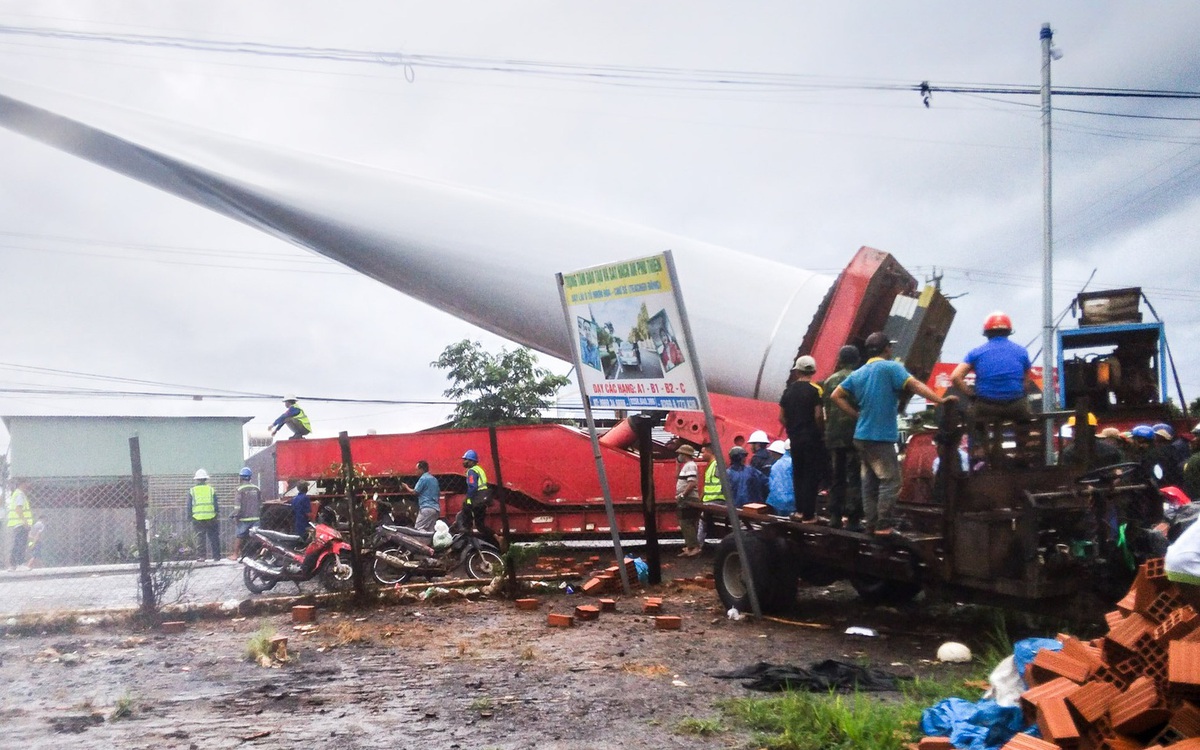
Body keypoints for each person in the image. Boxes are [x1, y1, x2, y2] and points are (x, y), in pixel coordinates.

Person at [831, 332, 956, 536]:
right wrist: (940, 400)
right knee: (891, 481)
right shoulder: (892, 368)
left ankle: (871, 523)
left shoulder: (859, 372)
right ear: (887, 348)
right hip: (880, 437)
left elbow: (836, 395)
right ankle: (883, 525)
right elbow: (914, 385)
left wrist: (856, 414)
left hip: (861, 436)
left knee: (869, 482)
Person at [949, 312, 1034, 422]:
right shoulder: (1022, 352)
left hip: (986, 407)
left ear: (986, 333)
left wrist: (972, 395)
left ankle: (979, 439)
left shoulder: (976, 352)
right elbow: (1026, 384)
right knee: (1024, 418)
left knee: (974, 420)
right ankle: (1023, 437)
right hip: (1016, 406)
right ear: (1008, 331)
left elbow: (955, 377)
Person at [779, 355, 826, 522]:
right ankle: (809, 514)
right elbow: (818, 415)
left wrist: (792, 429)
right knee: (811, 475)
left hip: (795, 439)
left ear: (797, 371)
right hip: (812, 439)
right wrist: (820, 431)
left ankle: (799, 511)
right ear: (812, 371)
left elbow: (782, 417)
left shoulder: (788, 391)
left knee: (798, 474)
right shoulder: (814, 391)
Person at [823, 345, 863, 530]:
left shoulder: (829, 381)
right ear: (856, 360)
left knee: (836, 477)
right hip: (854, 435)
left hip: (833, 435)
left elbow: (824, 411)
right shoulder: (860, 378)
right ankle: (853, 518)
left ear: (839, 359)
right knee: (854, 476)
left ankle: (835, 516)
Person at [459, 450, 497, 546]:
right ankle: (497, 537)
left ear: (472, 461)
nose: (464, 462)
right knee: (480, 525)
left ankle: (468, 543)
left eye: (466, 460)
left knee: (466, 520)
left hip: (476, 498)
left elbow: (473, 486)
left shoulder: (472, 471)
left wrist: (468, 499)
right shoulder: (479, 469)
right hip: (482, 499)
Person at [674, 444, 702, 557]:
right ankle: (690, 547)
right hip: (687, 497)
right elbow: (677, 477)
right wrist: (677, 464)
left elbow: (692, 483)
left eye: (680, 453)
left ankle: (694, 547)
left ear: (684, 454)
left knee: (686, 522)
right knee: (687, 522)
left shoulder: (690, 466)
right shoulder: (687, 466)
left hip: (688, 498)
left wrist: (682, 495)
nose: (679, 456)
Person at [188, 469, 220, 561]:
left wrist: (189, 516)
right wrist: (217, 514)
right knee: (214, 537)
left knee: (200, 537)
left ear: (197, 479)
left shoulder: (192, 491)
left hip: (197, 518)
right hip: (211, 517)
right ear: (205, 479)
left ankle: (201, 556)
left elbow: (189, 505)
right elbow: (216, 504)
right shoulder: (211, 490)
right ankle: (216, 556)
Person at [231, 467, 261, 559]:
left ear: (241, 477)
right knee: (257, 537)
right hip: (256, 518)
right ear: (250, 477)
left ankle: (235, 554)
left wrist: (235, 516)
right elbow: (260, 503)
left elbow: (237, 507)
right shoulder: (256, 488)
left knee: (239, 536)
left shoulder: (239, 489)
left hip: (244, 518)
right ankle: (258, 555)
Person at [403, 460, 441, 532]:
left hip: (426, 507)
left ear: (421, 469)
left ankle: (419, 543)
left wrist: (406, 487)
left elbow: (414, 492)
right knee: (431, 530)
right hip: (436, 509)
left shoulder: (423, 478)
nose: (416, 472)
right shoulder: (434, 479)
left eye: (417, 470)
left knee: (418, 528)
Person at [6, 480, 33, 570]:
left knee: (17, 544)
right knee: (21, 544)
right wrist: (25, 521)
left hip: (17, 524)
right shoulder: (20, 494)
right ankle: (20, 563)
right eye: (27, 482)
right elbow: (18, 509)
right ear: (23, 483)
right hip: (21, 524)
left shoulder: (16, 494)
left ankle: (13, 564)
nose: (29, 484)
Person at [765, 440, 795, 516]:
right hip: (792, 502)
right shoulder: (794, 463)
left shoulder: (776, 465)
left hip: (775, 502)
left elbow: (771, 484)